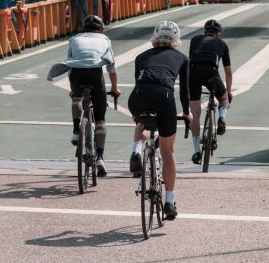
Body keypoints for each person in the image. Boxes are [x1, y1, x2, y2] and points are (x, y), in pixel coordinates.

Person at [128, 20, 192, 221]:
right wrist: (187, 113)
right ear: (176, 39)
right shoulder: (182, 58)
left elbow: (139, 80)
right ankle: (168, 202)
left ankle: (136, 150)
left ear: (155, 37)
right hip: (164, 96)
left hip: (138, 95)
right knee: (167, 150)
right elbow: (185, 91)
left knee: (141, 123)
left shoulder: (141, 56)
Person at [47, 14, 119, 177]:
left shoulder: (74, 39)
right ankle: (100, 157)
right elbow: (111, 68)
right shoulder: (105, 40)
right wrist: (115, 88)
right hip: (94, 75)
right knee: (100, 119)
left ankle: (75, 130)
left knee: (76, 97)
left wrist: (74, 90)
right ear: (100, 28)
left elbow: (71, 63)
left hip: (77, 74)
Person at [188, 18, 233, 164]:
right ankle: (221, 118)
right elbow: (228, 73)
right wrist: (228, 91)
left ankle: (196, 151)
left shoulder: (194, 40)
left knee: (194, 115)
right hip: (211, 73)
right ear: (218, 34)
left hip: (193, 73)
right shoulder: (222, 44)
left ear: (204, 31)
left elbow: (191, 59)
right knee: (223, 98)